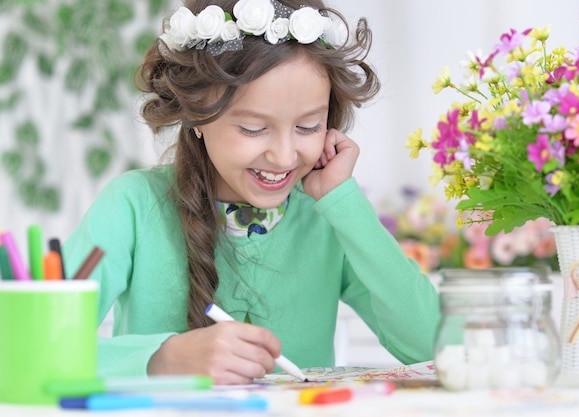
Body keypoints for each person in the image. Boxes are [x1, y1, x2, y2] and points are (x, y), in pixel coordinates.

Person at [64, 0, 441, 385]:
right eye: (253, 129)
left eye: (309, 126)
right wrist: (163, 359)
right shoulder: (131, 207)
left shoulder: (326, 216)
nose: (282, 156)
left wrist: (344, 203)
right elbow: (30, 348)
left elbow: (438, 348)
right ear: (196, 116)